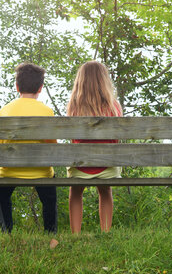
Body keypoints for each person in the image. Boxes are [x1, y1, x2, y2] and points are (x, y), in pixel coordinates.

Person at [0, 63, 57, 234]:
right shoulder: (47, 111)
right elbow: (52, 146)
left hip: (9, 171)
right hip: (40, 172)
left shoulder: (5, 110)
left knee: (2, 194)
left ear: (17, 86)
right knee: (49, 197)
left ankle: (6, 232)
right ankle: (51, 232)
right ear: (41, 88)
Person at [67, 61, 123, 234]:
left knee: (75, 192)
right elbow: (117, 138)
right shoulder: (114, 106)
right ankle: (105, 232)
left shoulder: (74, 106)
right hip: (107, 167)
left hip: (80, 166)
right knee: (105, 191)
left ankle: (75, 234)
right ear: (104, 80)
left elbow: (73, 138)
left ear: (80, 81)